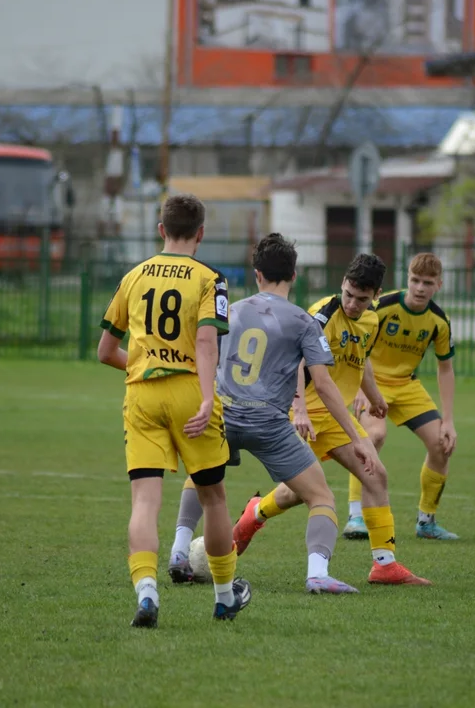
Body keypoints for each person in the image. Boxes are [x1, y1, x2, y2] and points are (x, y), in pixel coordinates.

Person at [166, 233, 383, 594]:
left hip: (225, 414)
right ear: (294, 275)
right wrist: (358, 437)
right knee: (321, 497)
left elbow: (203, 358)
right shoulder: (304, 321)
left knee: (203, 477)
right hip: (268, 423)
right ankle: (317, 573)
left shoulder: (231, 312)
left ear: (256, 275)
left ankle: (177, 551)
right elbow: (326, 386)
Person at [96, 194, 251, 628]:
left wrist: (147, 365)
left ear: (161, 230)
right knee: (213, 497)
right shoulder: (210, 278)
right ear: (201, 233)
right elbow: (207, 343)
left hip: (142, 394)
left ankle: (147, 592)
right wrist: (205, 397)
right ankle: (224, 598)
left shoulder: (133, 277)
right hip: (188, 392)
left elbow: (106, 351)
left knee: (144, 501)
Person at [234, 253, 431, 586]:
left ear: (376, 296)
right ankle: (253, 515)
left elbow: (361, 359)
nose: (353, 304)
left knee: (374, 474)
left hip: (337, 415)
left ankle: (384, 564)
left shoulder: (372, 320)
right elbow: (296, 360)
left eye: (362, 299)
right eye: (349, 294)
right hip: (310, 413)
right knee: (301, 493)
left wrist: (375, 395)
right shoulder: (322, 314)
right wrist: (298, 409)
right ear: (342, 283)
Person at [344, 252, 459, 541]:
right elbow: (357, 345)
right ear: (407, 279)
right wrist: (360, 389)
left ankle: (426, 521)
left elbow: (445, 369)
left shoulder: (438, 321)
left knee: (441, 444)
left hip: (406, 385)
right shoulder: (382, 306)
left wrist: (448, 421)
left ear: (439, 285)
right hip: (371, 380)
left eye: (428, 282)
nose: (420, 288)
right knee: (374, 437)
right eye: (415, 280)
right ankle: (356, 515)